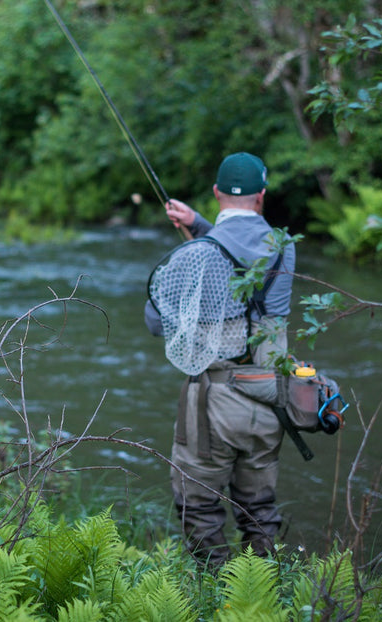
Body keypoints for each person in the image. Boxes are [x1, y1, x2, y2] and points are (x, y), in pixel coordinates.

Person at [144, 151, 296, 568]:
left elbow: (156, 323)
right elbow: (245, 255)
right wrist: (198, 226)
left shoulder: (195, 256)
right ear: (262, 195)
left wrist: (195, 240)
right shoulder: (284, 248)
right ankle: (261, 590)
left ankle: (215, 592)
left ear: (215, 192)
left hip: (212, 405)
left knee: (200, 508)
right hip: (269, 395)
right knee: (259, 509)